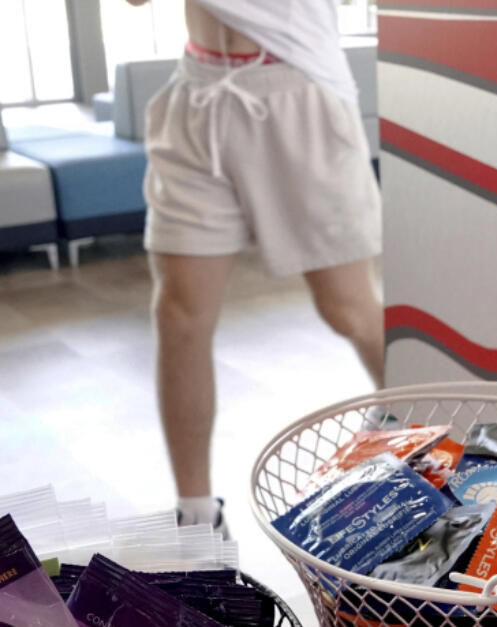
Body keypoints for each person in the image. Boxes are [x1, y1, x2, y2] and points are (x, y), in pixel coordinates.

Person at [126, 0, 384, 534]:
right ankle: (196, 519)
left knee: (348, 309)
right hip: (199, 93)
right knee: (179, 315)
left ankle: (439, 442)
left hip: (297, 90)